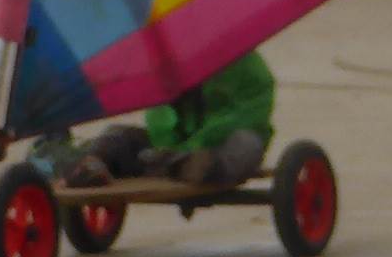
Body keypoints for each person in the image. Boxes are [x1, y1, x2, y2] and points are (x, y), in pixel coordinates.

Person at [63, 50, 275, 192]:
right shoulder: (170, 60)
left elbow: (250, 114)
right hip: (169, 149)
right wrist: (168, 146)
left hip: (217, 147)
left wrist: (196, 145)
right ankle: (91, 164)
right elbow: (158, 114)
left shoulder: (245, 63)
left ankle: (193, 166)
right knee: (119, 135)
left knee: (247, 143)